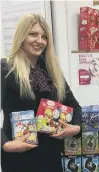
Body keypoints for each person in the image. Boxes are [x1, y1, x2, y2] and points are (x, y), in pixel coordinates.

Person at [1, 13, 82, 172]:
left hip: (50, 155)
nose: (40, 41)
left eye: (44, 37)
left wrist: (76, 128)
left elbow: (75, 106)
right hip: (18, 157)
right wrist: (5, 144)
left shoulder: (52, 72)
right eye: (33, 34)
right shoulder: (5, 69)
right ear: (22, 36)